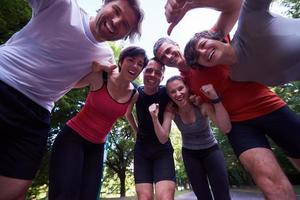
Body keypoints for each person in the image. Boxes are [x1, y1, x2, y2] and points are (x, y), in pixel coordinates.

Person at [0, 0, 144, 198]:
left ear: (125, 35)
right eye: (116, 10)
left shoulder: (105, 57)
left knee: (14, 192)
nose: (116, 21)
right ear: (105, 3)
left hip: (37, 113)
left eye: (125, 25)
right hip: (4, 80)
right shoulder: (63, 7)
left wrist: (92, 73)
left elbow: (74, 82)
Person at [154, 37, 300, 200]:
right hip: (239, 125)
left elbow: (231, 16)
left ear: (176, 44)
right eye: (163, 58)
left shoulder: (202, 46)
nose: (168, 57)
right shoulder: (186, 84)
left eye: (168, 50)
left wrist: (190, 9)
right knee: (269, 183)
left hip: (268, 106)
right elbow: (219, 122)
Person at [49, 46, 148, 200]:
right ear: (121, 61)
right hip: (73, 138)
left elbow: (128, 113)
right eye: (131, 60)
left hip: (97, 147)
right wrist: (90, 66)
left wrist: (137, 131)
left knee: (88, 195)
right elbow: (71, 82)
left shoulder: (134, 94)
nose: (135, 66)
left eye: (140, 64)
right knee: (65, 193)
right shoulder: (101, 76)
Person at [165, 0, 300, 86]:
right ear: (205, 65)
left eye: (202, 45)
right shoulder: (237, 76)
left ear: (216, 37)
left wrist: (193, 3)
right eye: (198, 57)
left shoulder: (249, 21)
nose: (204, 52)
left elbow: (237, 3)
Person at [149, 75, 232, 200]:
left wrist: (215, 99)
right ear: (169, 95)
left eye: (180, 88)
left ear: (187, 88)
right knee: (203, 196)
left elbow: (225, 128)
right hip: (190, 154)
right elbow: (163, 138)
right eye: (173, 92)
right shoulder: (171, 110)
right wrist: (155, 119)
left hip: (211, 149)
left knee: (222, 194)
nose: (178, 94)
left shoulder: (202, 105)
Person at [125, 58, 176, 200]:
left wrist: (154, 117)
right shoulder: (135, 93)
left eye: (158, 72)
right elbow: (127, 113)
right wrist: (137, 131)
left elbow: (163, 138)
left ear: (162, 77)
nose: (153, 75)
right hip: (142, 150)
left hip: (162, 149)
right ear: (142, 72)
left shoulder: (166, 93)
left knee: (165, 197)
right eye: (149, 70)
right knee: (144, 198)